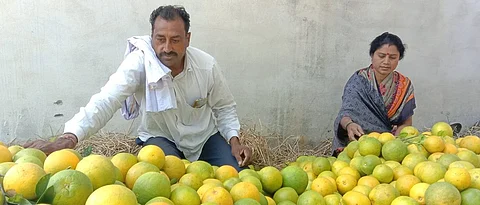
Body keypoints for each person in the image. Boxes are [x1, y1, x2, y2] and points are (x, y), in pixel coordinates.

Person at [24, 5, 252, 170]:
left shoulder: (206, 66)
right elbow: (106, 100)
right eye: (160, 39)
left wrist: (234, 141)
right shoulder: (140, 63)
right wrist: (69, 138)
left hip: (204, 139)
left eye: (175, 39)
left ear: (188, 39)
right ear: (151, 37)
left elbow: (224, 107)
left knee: (236, 175)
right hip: (161, 138)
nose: (166, 48)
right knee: (163, 183)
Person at [332, 32, 416, 156]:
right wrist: (349, 125)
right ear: (372, 55)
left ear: (399, 58)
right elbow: (346, 112)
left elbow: (406, 122)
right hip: (357, 142)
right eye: (381, 56)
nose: (386, 61)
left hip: (389, 143)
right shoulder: (359, 80)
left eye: (392, 57)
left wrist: (395, 142)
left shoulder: (404, 85)